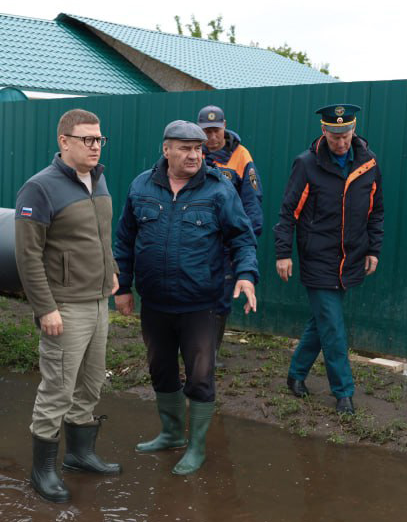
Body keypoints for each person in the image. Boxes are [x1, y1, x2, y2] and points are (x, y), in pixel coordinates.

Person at [114, 120, 258, 475]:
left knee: (200, 377)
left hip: (200, 304)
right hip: (155, 303)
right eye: (185, 148)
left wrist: (246, 276)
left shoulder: (219, 190)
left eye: (198, 149)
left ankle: (196, 448)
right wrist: (122, 287)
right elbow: (124, 240)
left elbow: (242, 237)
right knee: (160, 371)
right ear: (166, 150)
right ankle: (171, 433)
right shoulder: (141, 186)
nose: (194, 154)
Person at [14, 108, 122, 504]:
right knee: (58, 388)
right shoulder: (39, 189)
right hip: (64, 307)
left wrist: (111, 270)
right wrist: (46, 308)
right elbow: (28, 256)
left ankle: (79, 454)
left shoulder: (99, 179)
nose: (95, 146)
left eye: (99, 139)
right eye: (87, 139)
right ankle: (43, 470)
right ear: (64, 141)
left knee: (91, 382)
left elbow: (101, 235)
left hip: (97, 302)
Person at [273, 103, 383, 415]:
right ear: (324, 131)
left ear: (353, 129)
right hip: (317, 258)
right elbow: (288, 211)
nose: (340, 142)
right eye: (334, 136)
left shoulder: (369, 164)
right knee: (333, 326)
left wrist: (373, 249)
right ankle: (344, 393)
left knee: (322, 322)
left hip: (351, 257)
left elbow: (376, 211)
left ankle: (295, 375)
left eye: (345, 134)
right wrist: (283, 254)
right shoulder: (307, 164)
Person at [197, 105, 263, 354]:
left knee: (222, 298)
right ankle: (195, 350)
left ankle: (210, 354)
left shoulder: (241, 155)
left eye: (216, 131)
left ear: (224, 127)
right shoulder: (194, 152)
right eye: (206, 132)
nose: (211, 137)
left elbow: (252, 200)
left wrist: (246, 241)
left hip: (226, 242)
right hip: (198, 238)